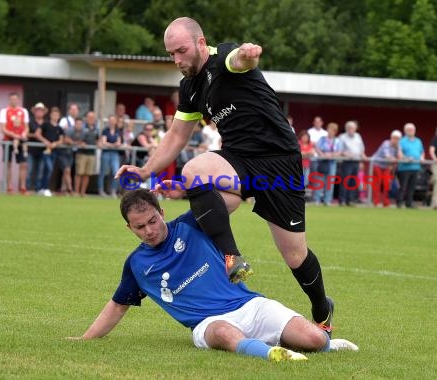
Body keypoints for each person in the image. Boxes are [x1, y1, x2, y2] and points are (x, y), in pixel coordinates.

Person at [116, 17, 335, 335]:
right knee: (194, 172)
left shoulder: (225, 59)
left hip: (279, 163)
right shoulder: (190, 86)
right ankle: (230, 257)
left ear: (201, 43)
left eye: (181, 51)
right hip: (238, 161)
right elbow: (177, 136)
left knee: (295, 254)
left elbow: (239, 60)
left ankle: (322, 309)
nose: (177, 60)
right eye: (171, 54)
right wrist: (146, 169)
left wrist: (249, 55)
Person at [67, 190, 358, 360]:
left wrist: (188, 187)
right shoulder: (137, 265)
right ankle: (271, 354)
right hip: (208, 322)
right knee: (222, 333)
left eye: (153, 221)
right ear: (129, 228)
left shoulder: (192, 223)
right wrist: (86, 339)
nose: (150, 230)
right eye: (140, 227)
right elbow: (118, 305)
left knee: (315, 341)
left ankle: (327, 341)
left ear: (162, 210)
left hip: (250, 306)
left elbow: (230, 199)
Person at [0, 92, 29, 194]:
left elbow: (26, 126)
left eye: (15, 99)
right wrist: (13, 134)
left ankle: (23, 187)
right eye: (12, 99)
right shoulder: (4, 111)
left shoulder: (23, 111)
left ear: (18, 100)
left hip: (20, 139)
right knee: (8, 164)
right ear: (9, 100)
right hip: (8, 140)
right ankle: (9, 187)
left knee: (23, 164)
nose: (14, 101)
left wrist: (24, 133)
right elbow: (3, 128)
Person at [35, 107, 64, 197]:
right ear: (51, 115)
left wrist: (56, 143)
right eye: (54, 114)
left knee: (48, 170)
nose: (55, 116)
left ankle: (43, 188)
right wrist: (45, 141)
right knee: (48, 168)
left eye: (57, 115)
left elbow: (61, 139)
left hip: (54, 151)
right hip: (45, 151)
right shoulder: (46, 124)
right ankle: (44, 188)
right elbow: (37, 134)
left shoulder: (59, 128)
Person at [313, 122, 343, 206]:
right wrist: (323, 154)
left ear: (335, 131)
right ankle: (317, 200)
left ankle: (327, 200)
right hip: (322, 162)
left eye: (332, 130)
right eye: (329, 129)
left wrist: (332, 155)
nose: (330, 131)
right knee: (319, 181)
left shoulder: (337, 140)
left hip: (332, 163)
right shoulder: (322, 139)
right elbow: (317, 148)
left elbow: (340, 151)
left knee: (330, 182)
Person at [397, 123, 424, 209]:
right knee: (403, 186)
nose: (411, 131)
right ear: (405, 131)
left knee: (412, 187)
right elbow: (399, 154)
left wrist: (422, 158)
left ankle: (409, 203)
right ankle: (399, 202)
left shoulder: (418, 141)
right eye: (408, 130)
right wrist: (406, 158)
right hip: (404, 168)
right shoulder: (401, 141)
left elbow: (422, 152)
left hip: (415, 167)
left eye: (412, 130)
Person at [371, 130, 402, 207]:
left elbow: (400, 157)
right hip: (377, 164)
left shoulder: (397, 146)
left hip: (386, 166)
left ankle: (385, 202)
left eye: (398, 139)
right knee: (378, 183)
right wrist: (395, 160)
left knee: (387, 184)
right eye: (394, 138)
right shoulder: (386, 143)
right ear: (391, 137)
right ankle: (376, 202)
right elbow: (387, 156)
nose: (396, 140)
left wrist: (399, 148)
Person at [338, 120, 365, 206]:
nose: (351, 129)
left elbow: (361, 149)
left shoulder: (358, 136)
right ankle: (342, 200)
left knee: (353, 182)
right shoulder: (342, 137)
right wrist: (346, 154)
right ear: (346, 128)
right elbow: (339, 149)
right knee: (345, 181)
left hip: (356, 161)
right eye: (349, 128)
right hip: (347, 161)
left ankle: (350, 200)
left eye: (353, 128)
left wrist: (361, 159)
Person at [75, 113, 100, 197]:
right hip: (82, 153)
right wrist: (80, 142)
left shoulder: (96, 129)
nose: (91, 119)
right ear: (86, 118)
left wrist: (99, 143)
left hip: (91, 154)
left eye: (93, 117)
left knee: (87, 174)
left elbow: (97, 139)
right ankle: (76, 192)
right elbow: (76, 138)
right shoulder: (81, 127)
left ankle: (83, 192)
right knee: (79, 173)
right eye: (89, 117)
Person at [27, 103, 48, 192]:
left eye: (41, 110)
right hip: (31, 150)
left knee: (40, 171)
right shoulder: (29, 122)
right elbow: (26, 133)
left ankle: (38, 189)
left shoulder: (46, 123)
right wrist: (35, 135)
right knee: (29, 170)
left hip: (43, 150)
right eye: (38, 110)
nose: (39, 112)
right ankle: (26, 188)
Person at [100, 115, 122, 198]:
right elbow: (103, 142)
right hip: (106, 153)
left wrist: (115, 145)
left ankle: (113, 191)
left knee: (116, 172)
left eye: (113, 120)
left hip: (114, 153)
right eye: (110, 120)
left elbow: (119, 142)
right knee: (103, 172)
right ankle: (101, 190)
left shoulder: (117, 131)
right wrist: (113, 145)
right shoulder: (105, 131)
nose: (112, 121)